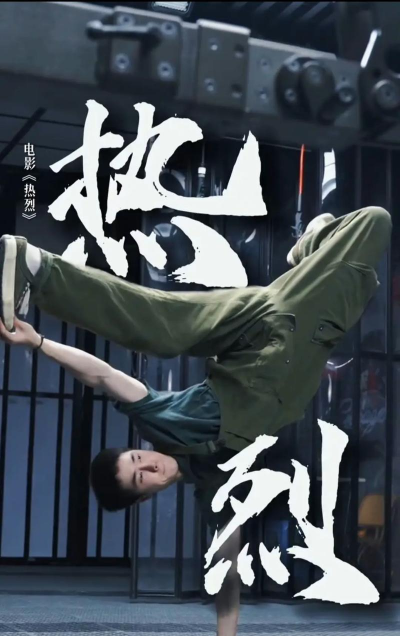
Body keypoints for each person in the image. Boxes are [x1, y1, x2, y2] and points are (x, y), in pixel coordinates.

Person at [0, 206, 392, 636]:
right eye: (141, 478)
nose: (150, 466)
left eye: (138, 458)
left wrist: (39, 342)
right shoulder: (214, 486)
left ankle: (38, 267)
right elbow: (227, 568)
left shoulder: (163, 422)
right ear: (144, 498)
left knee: (163, 324)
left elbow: (103, 376)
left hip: (249, 327)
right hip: (307, 332)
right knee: (367, 255)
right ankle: (313, 248)